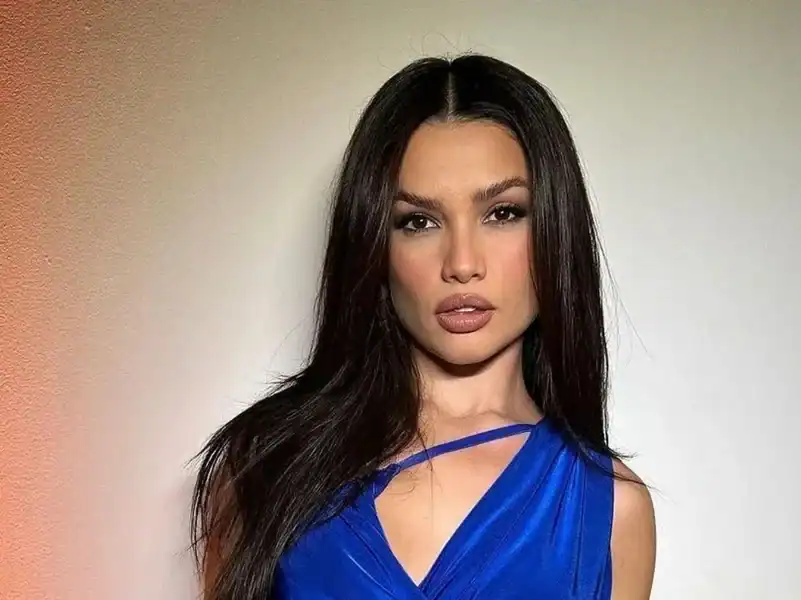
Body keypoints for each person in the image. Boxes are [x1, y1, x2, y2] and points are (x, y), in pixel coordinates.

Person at [190, 53, 656, 600]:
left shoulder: (610, 511)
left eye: (503, 213)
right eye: (419, 221)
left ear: (556, 230)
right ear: (374, 246)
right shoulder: (267, 465)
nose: (462, 263)